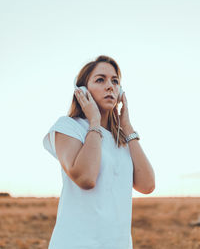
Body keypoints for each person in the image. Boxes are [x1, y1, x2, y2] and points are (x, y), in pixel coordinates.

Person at [43, 55, 155, 249]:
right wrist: (94, 122)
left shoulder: (123, 139)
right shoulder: (68, 127)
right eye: (100, 79)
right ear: (82, 91)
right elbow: (86, 178)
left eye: (115, 81)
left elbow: (147, 185)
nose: (110, 86)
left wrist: (127, 128)